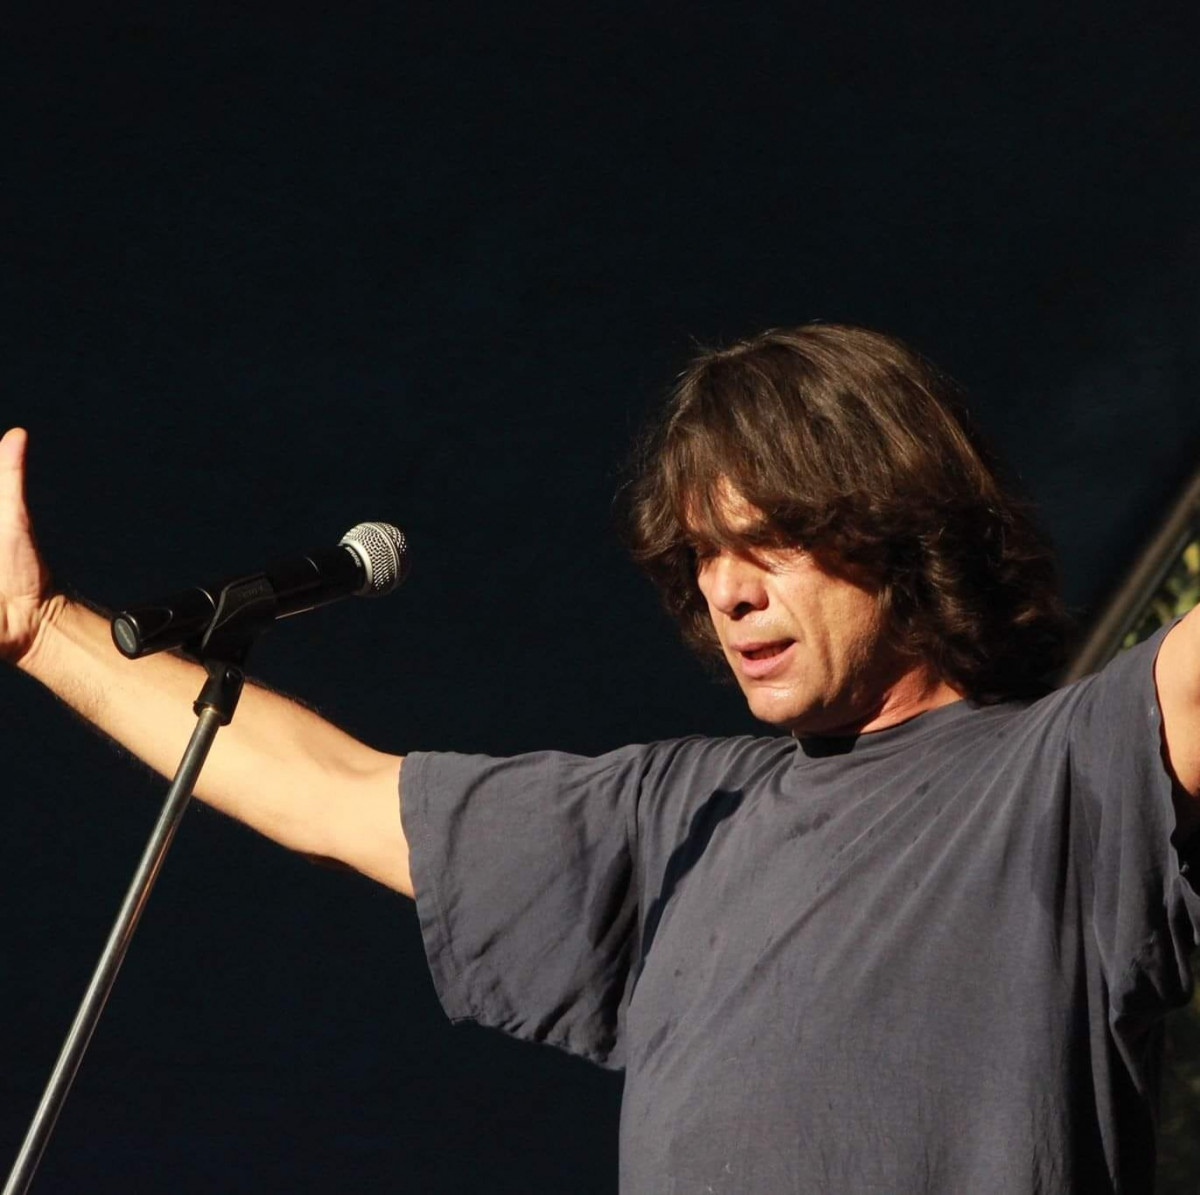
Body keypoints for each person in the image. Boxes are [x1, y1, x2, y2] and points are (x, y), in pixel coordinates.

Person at [3, 323, 1198, 1192]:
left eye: (769, 541)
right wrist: (41, 630)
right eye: (703, 555)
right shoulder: (681, 819)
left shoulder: (1067, 776)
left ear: (896, 528)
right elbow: (335, 790)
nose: (729, 591)